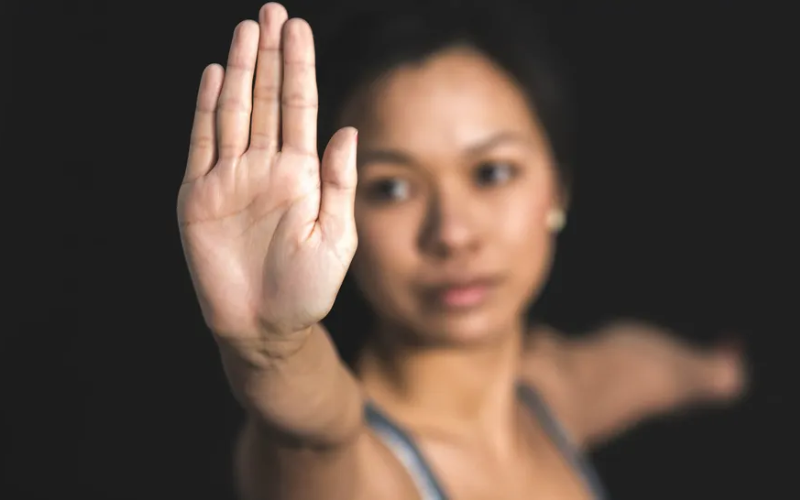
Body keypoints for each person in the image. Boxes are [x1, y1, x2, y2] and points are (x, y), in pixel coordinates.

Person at [176, 2, 746, 498]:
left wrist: (721, 372)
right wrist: (271, 349)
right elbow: (310, 429)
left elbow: (641, 365)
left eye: (492, 173)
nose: (452, 233)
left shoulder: (552, 392)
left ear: (559, 186)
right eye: (391, 188)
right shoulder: (352, 467)